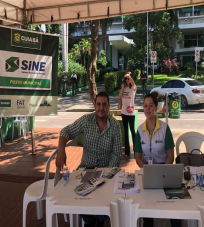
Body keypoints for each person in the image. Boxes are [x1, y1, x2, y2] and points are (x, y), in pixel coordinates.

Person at [56, 92, 123, 227]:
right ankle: (89, 220)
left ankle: (101, 218)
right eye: (98, 104)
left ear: (109, 106)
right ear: (95, 105)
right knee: (71, 192)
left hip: (106, 171)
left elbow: (116, 154)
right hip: (85, 169)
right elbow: (65, 131)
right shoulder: (86, 120)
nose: (101, 108)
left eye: (104, 104)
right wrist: (61, 149)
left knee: (108, 195)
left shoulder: (115, 126)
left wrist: (107, 175)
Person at [134, 92, 181, 227]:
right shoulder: (140, 130)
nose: (147, 109)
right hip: (147, 170)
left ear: (156, 108)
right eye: (145, 106)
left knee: (173, 205)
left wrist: (162, 172)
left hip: (165, 169)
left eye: (150, 106)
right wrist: (148, 170)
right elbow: (137, 157)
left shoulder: (165, 129)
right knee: (146, 206)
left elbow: (170, 156)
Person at [119, 72, 136, 157]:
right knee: (126, 132)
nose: (127, 80)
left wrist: (129, 76)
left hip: (131, 112)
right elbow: (120, 96)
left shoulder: (133, 88)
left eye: (128, 78)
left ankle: (136, 150)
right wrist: (122, 87)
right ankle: (127, 152)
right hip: (124, 112)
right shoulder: (124, 87)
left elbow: (133, 85)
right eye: (125, 79)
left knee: (133, 131)